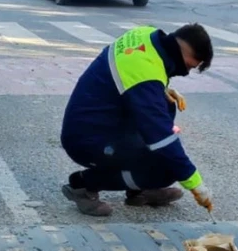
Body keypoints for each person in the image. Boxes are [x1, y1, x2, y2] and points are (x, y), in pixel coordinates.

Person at [60, 24, 215, 217]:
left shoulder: (145, 35)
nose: (186, 72)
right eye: (190, 66)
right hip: (87, 140)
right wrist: (197, 185)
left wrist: (161, 90)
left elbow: (127, 80)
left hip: (94, 122)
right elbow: (162, 138)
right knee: (167, 167)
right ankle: (83, 184)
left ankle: (139, 190)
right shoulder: (144, 77)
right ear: (181, 52)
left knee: (166, 105)